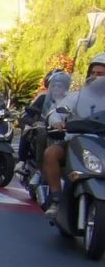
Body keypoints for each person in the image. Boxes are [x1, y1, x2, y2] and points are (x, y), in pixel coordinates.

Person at [42, 53, 105, 219]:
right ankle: (56, 198)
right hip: (77, 142)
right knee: (51, 153)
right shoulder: (77, 96)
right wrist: (57, 121)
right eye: (93, 73)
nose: (95, 77)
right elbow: (56, 111)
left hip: (102, 144)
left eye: (100, 74)